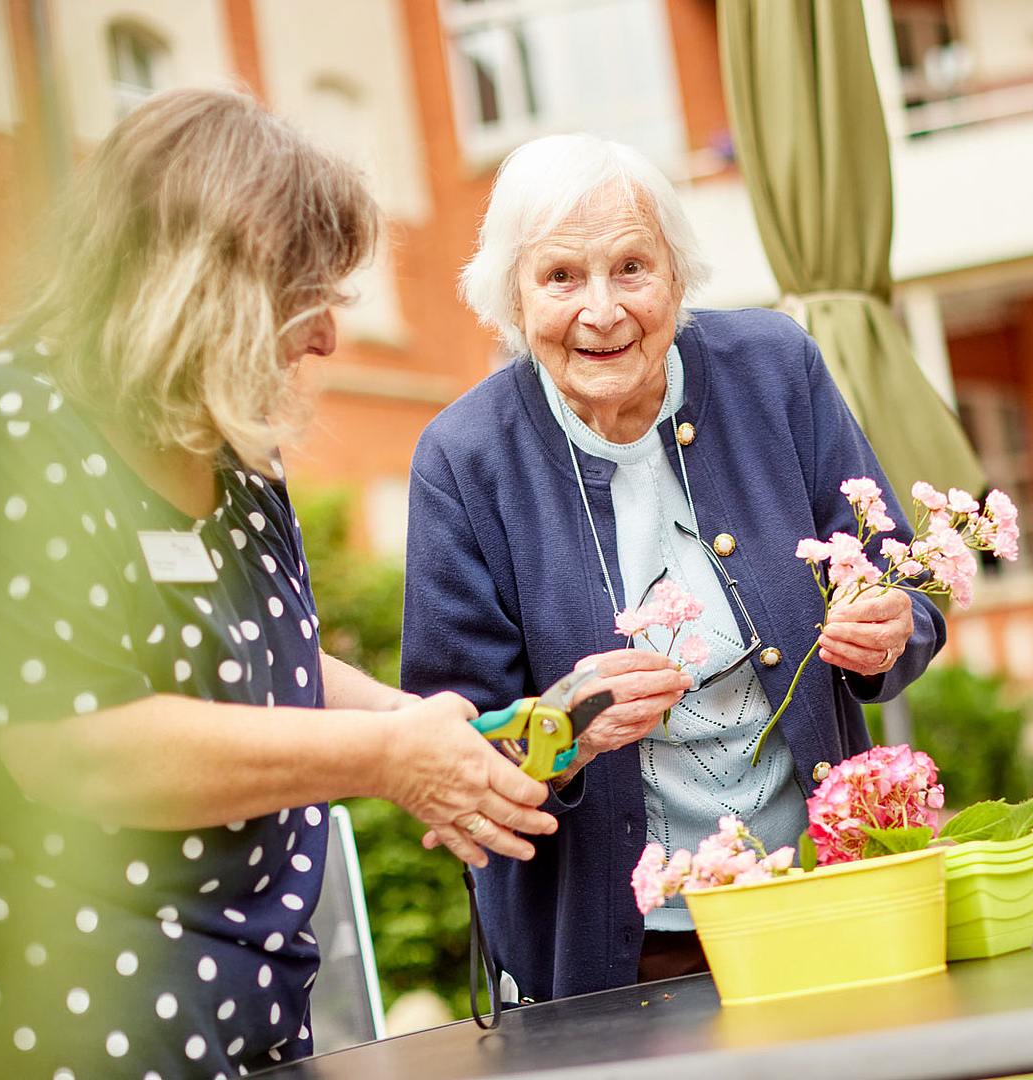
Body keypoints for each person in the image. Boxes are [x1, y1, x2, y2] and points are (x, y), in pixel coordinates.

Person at [0, 87, 560, 1079]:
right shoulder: (4, 425)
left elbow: (275, 658)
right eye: (303, 295)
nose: (325, 341)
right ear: (198, 283)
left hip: (257, 1011)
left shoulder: (234, 447)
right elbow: (74, 749)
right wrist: (385, 757)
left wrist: (438, 734)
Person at [400, 133, 946, 1002]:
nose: (602, 310)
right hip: (626, 954)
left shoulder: (776, 368)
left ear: (677, 274)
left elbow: (899, 577)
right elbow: (450, 742)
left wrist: (892, 628)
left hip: (823, 892)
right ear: (513, 297)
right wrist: (565, 728)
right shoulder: (465, 461)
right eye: (561, 277)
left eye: (631, 268)